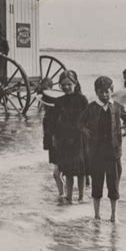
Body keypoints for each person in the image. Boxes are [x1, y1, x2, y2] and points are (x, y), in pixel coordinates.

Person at [80, 76, 126, 222]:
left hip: (113, 153)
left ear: (112, 91)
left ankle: (113, 215)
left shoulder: (117, 106)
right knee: (96, 185)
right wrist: (85, 131)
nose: (104, 95)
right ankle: (97, 215)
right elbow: (80, 123)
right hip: (96, 153)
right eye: (101, 92)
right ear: (96, 92)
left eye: (107, 91)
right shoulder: (91, 107)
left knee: (113, 185)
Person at [51, 70, 88, 203]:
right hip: (65, 139)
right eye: (63, 85)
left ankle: (82, 197)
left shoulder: (82, 99)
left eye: (69, 84)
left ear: (75, 83)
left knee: (81, 171)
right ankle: (69, 197)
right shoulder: (59, 101)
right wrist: (54, 138)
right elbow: (54, 122)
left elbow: (87, 120)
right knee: (68, 171)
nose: (66, 87)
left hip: (79, 139)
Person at [41, 77, 65, 199]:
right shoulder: (51, 114)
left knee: (57, 173)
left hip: (57, 144)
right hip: (54, 144)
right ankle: (63, 193)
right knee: (59, 172)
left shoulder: (52, 115)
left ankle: (62, 194)